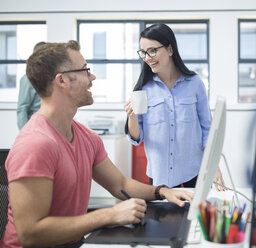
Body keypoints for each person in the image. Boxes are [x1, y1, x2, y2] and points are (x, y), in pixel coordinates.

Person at [0, 40, 193, 248]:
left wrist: (163, 192)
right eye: (85, 70)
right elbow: (30, 233)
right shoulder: (35, 143)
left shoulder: (86, 137)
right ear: (62, 80)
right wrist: (109, 215)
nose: (92, 77)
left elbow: (120, 185)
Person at [124, 23, 224, 189]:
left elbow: (208, 129)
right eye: (143, 52)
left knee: (194, 214)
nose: (147, 58)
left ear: (170, 50)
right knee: (162, 215)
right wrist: (132, 116)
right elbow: (136, 138)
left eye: (152, 50)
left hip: (194, 172)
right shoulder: (143, 89)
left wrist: (213, 166)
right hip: (159, 175)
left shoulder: (194, 83)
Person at [16, 41, 46, 129]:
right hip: (35, 127)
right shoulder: (27, 79)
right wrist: (25, 132)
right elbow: (22, 109)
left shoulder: (50, 77)